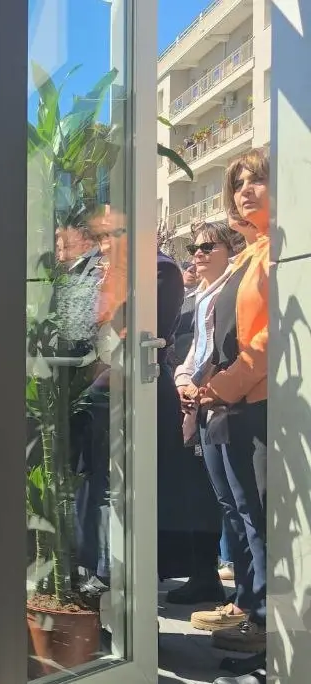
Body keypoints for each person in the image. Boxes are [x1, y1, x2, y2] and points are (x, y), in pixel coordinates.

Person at [180, 150, 270, 669]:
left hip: (252, 403)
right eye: (238, 183)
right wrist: (196, 383)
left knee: (259, 520)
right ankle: (250, 609)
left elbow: (267, 339)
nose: (246, 190)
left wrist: (222, 388)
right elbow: (212, 334)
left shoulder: (278, 252)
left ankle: (264, 626)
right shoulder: (247, 254)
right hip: (226, 403)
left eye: (257, 179)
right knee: (239, 514)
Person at [161, 221, 245, 606]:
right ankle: (206, 576)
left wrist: (203, 385)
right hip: (195, 408)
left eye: (208, 246)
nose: (198, 253)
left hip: (226, 407)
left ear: (230, 249)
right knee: (207, 499)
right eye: (195, 247)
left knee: (233, 506)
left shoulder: (233, 291)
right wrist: (181, 380)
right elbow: (186, 349)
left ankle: (243, 598)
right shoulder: (197, 297)